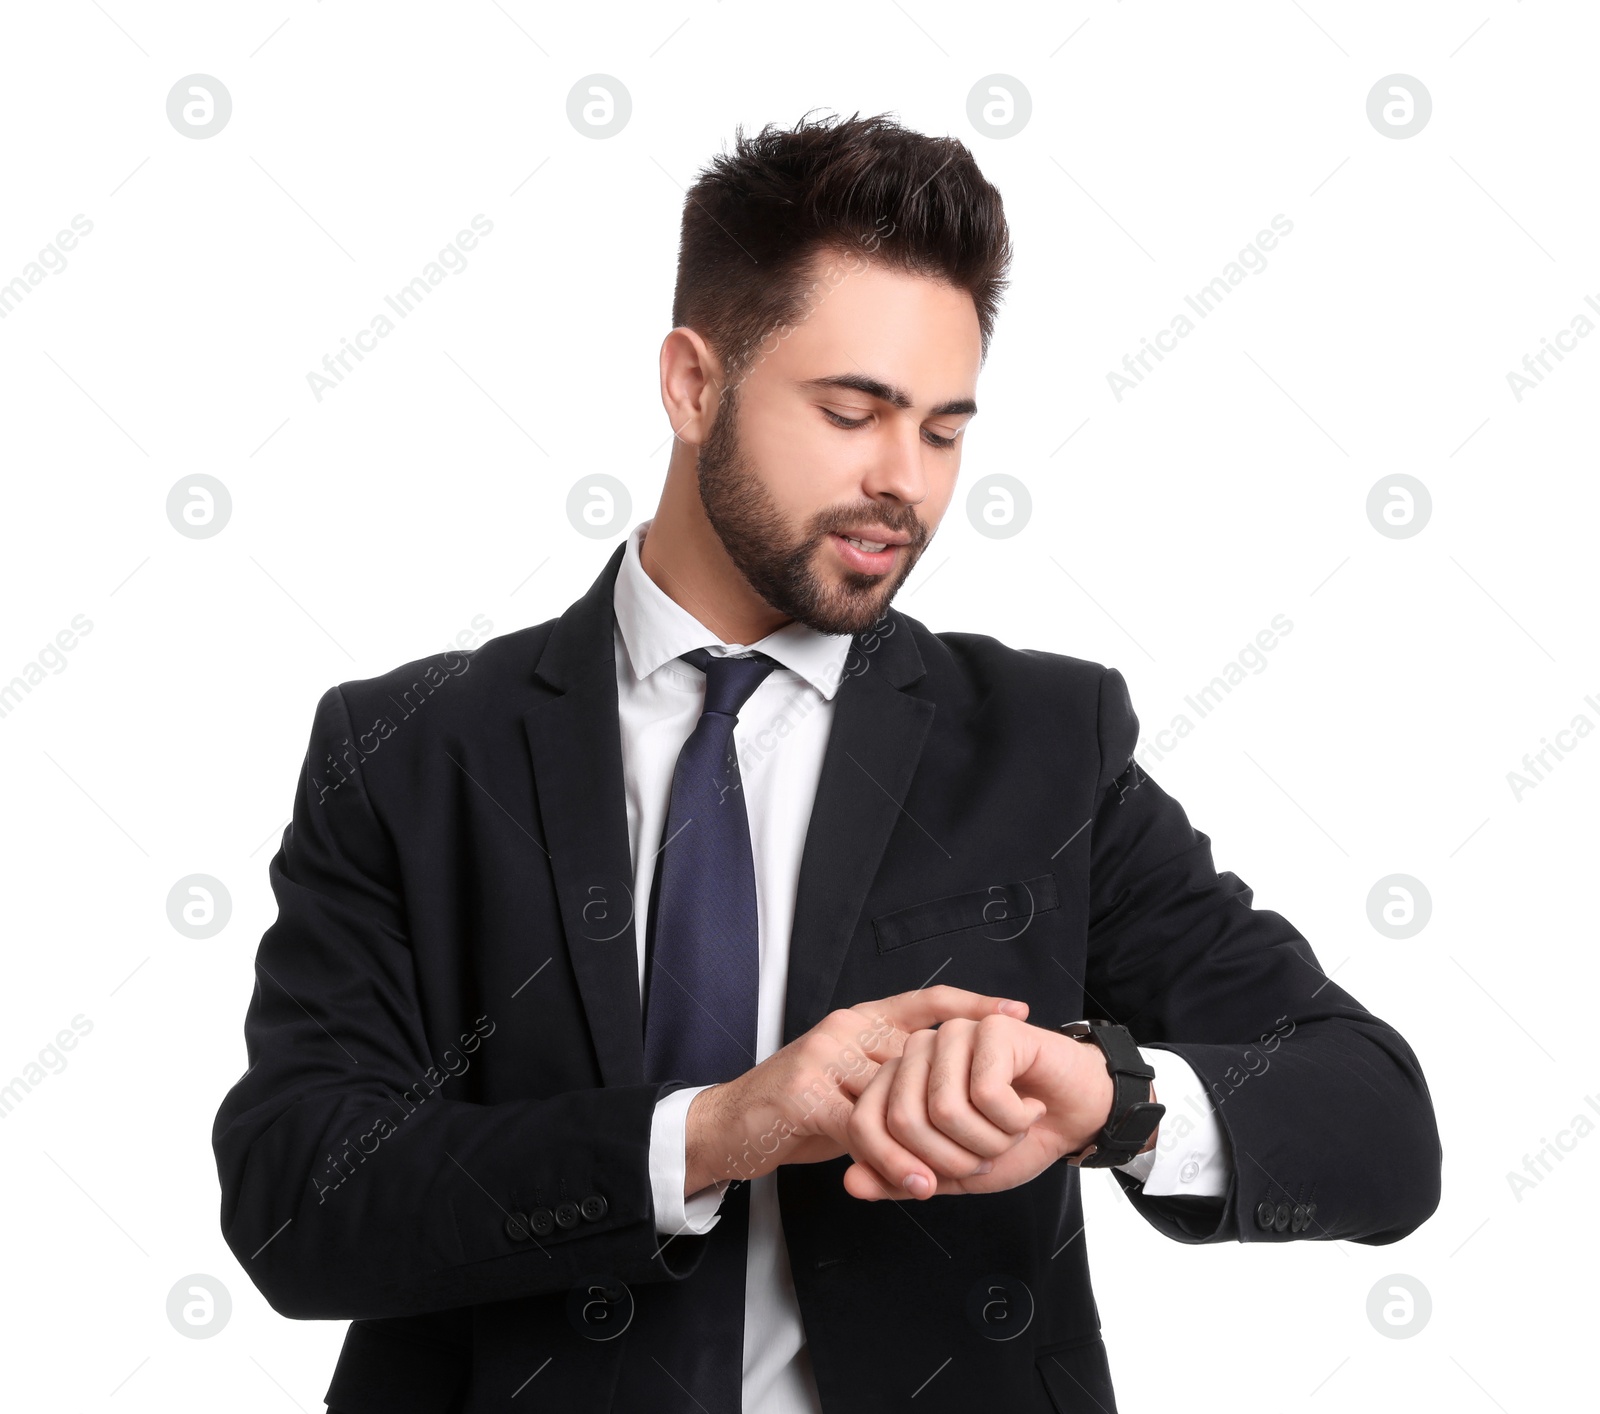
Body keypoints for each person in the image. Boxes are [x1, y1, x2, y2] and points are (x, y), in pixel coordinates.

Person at [213, 111, 1441, 1414]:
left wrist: (1113, 1095)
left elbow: (1377, 1123)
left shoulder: (1042, 745)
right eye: (854, 411)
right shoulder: (412, 751)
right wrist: (723, 1129)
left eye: (945, 430)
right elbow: (300, 1197)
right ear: (693, 383)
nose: (902, 482)